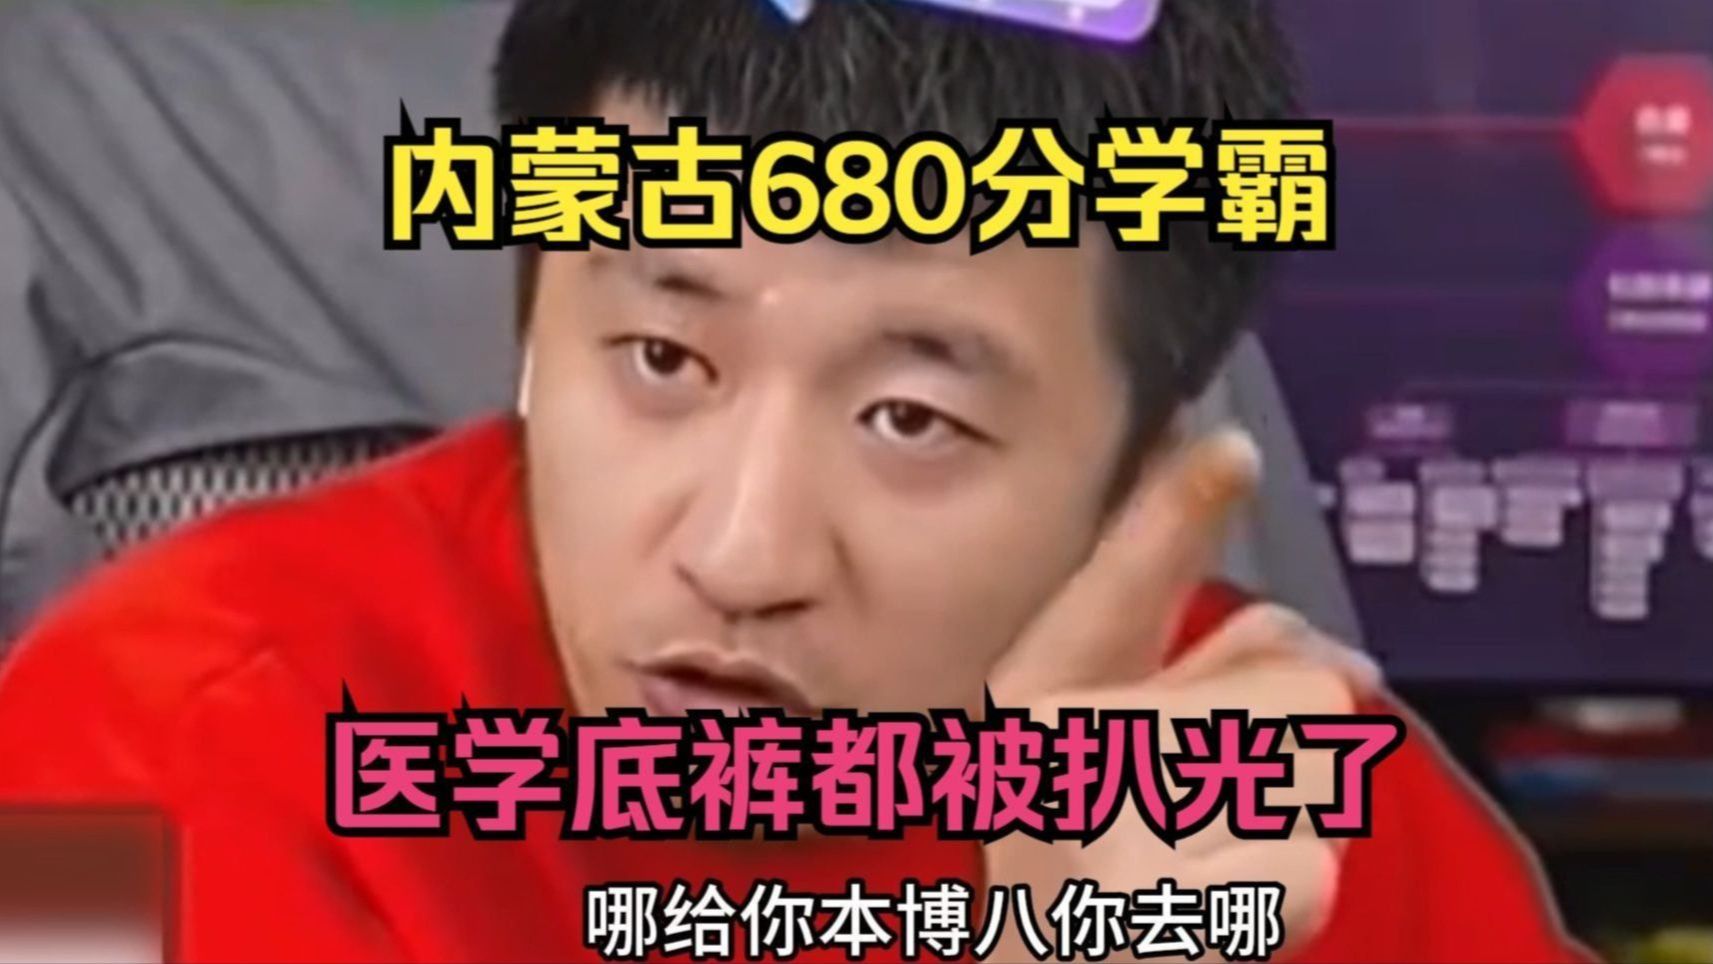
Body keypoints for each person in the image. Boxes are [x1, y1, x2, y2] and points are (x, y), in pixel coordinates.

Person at [0, 1, 1589, 961]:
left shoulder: (1282, 807)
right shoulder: (129, 740)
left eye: (910, 419)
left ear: (1129, 481)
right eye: (661, 359)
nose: (741, 552)